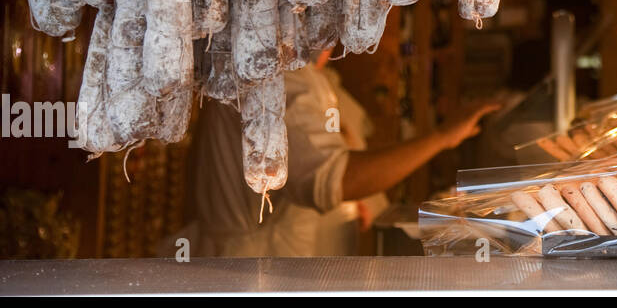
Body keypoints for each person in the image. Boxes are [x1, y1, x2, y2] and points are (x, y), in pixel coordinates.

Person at [185, 53, 498, 257]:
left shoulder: (308, 76)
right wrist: (442, 138)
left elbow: (330, 158)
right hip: (257, 267)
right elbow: (333, 179)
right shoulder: (281, 74)